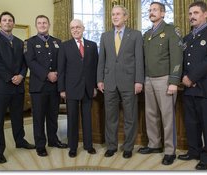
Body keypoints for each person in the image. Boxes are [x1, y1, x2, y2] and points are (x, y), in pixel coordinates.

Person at [178, 1, 207, 170]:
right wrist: (184, 76)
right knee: (191, 123)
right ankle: (194, 151)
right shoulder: (187, 38)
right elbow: (183, 61)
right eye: (190, 14)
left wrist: (191, 77)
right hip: (189, 88)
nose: (192, 16)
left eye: (196, 13)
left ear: (205, 14)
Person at [0, 11, 35, 164]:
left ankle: (20, 141)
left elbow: (25, 63)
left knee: (17, 116)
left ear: (13, 23)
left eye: (10, 20)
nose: (7, 22)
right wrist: (9, 77)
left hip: (18, 86)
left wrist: (21, 75)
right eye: (4, 20)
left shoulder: (21, 42)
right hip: (2, 86)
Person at [137, 2, 183, 166]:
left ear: (163, 13)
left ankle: (170, 150)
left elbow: (177, 57)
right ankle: (154, 144)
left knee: (167, 116)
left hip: (165, 79)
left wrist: (174, 81)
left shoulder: (171, 30)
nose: (151, 12)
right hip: (148, 79)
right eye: (149, 10)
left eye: (155, 10)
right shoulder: (147, 34)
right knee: (151, 114)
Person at [97, 5, 144, 159]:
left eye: (118, 14)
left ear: (126, 17)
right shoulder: (105, 36)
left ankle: (128, 147)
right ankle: (111, 146)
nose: (115, 17)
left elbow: (139, 60)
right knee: (110, 117)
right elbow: (101, 61)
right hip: (109, 82)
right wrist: (99, 80)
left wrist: (139, 81)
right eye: (113, 14)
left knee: (130, 117)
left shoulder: (136, 35)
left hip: (129, 82)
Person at [24, 15, 68, 157]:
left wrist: (57, 74)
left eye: (44, 23)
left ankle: (53, 140)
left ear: (49, 24)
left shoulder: (57, 42)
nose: (42, 25)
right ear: (36, 25)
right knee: (38, 117)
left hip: (54, 85)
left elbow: (62, 62)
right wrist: (47, 74)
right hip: (39, 86)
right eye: (39, 23)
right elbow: (30, 61)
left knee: (52, 115)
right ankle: (40, 145)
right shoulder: (29, 42)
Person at [57, 19, 98, 158]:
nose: (75, 30)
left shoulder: (92, 46)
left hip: (87, 88)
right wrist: (62, 89)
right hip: (71, 89)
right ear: (70, 30)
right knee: (72, 119)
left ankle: (88, 145)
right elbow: (61, 69)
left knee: (87, 118)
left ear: (83, 28)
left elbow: (95, 68)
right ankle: (72, 147)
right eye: (72, 28)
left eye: (78, 27)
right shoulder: (65, 46)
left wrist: (94, 86)